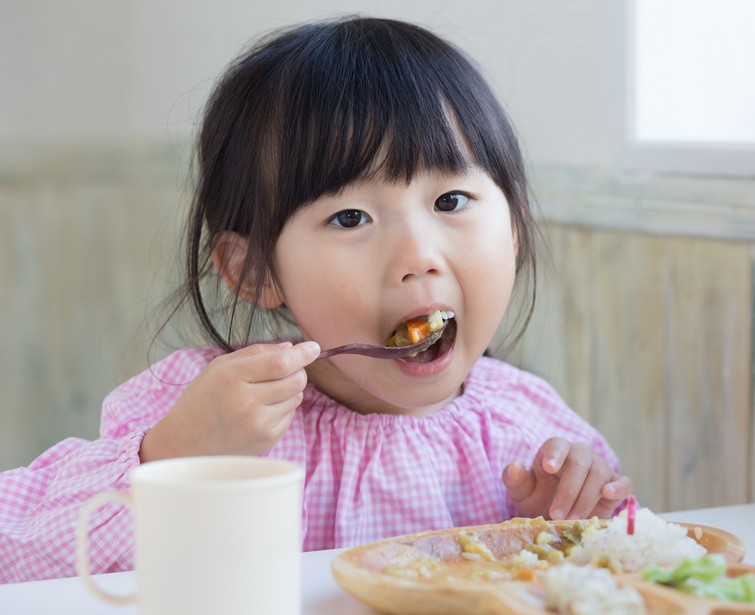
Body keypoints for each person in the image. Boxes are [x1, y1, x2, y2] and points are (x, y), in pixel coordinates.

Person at [0, 16, 632, 584]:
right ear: (253, 271)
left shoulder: (532, 427)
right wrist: (176, 458)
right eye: (351, 217)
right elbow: (16, 552)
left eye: (450, 202)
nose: (419, 256)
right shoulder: (208, 411)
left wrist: (556, 524)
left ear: (515, 225)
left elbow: (636, 571)